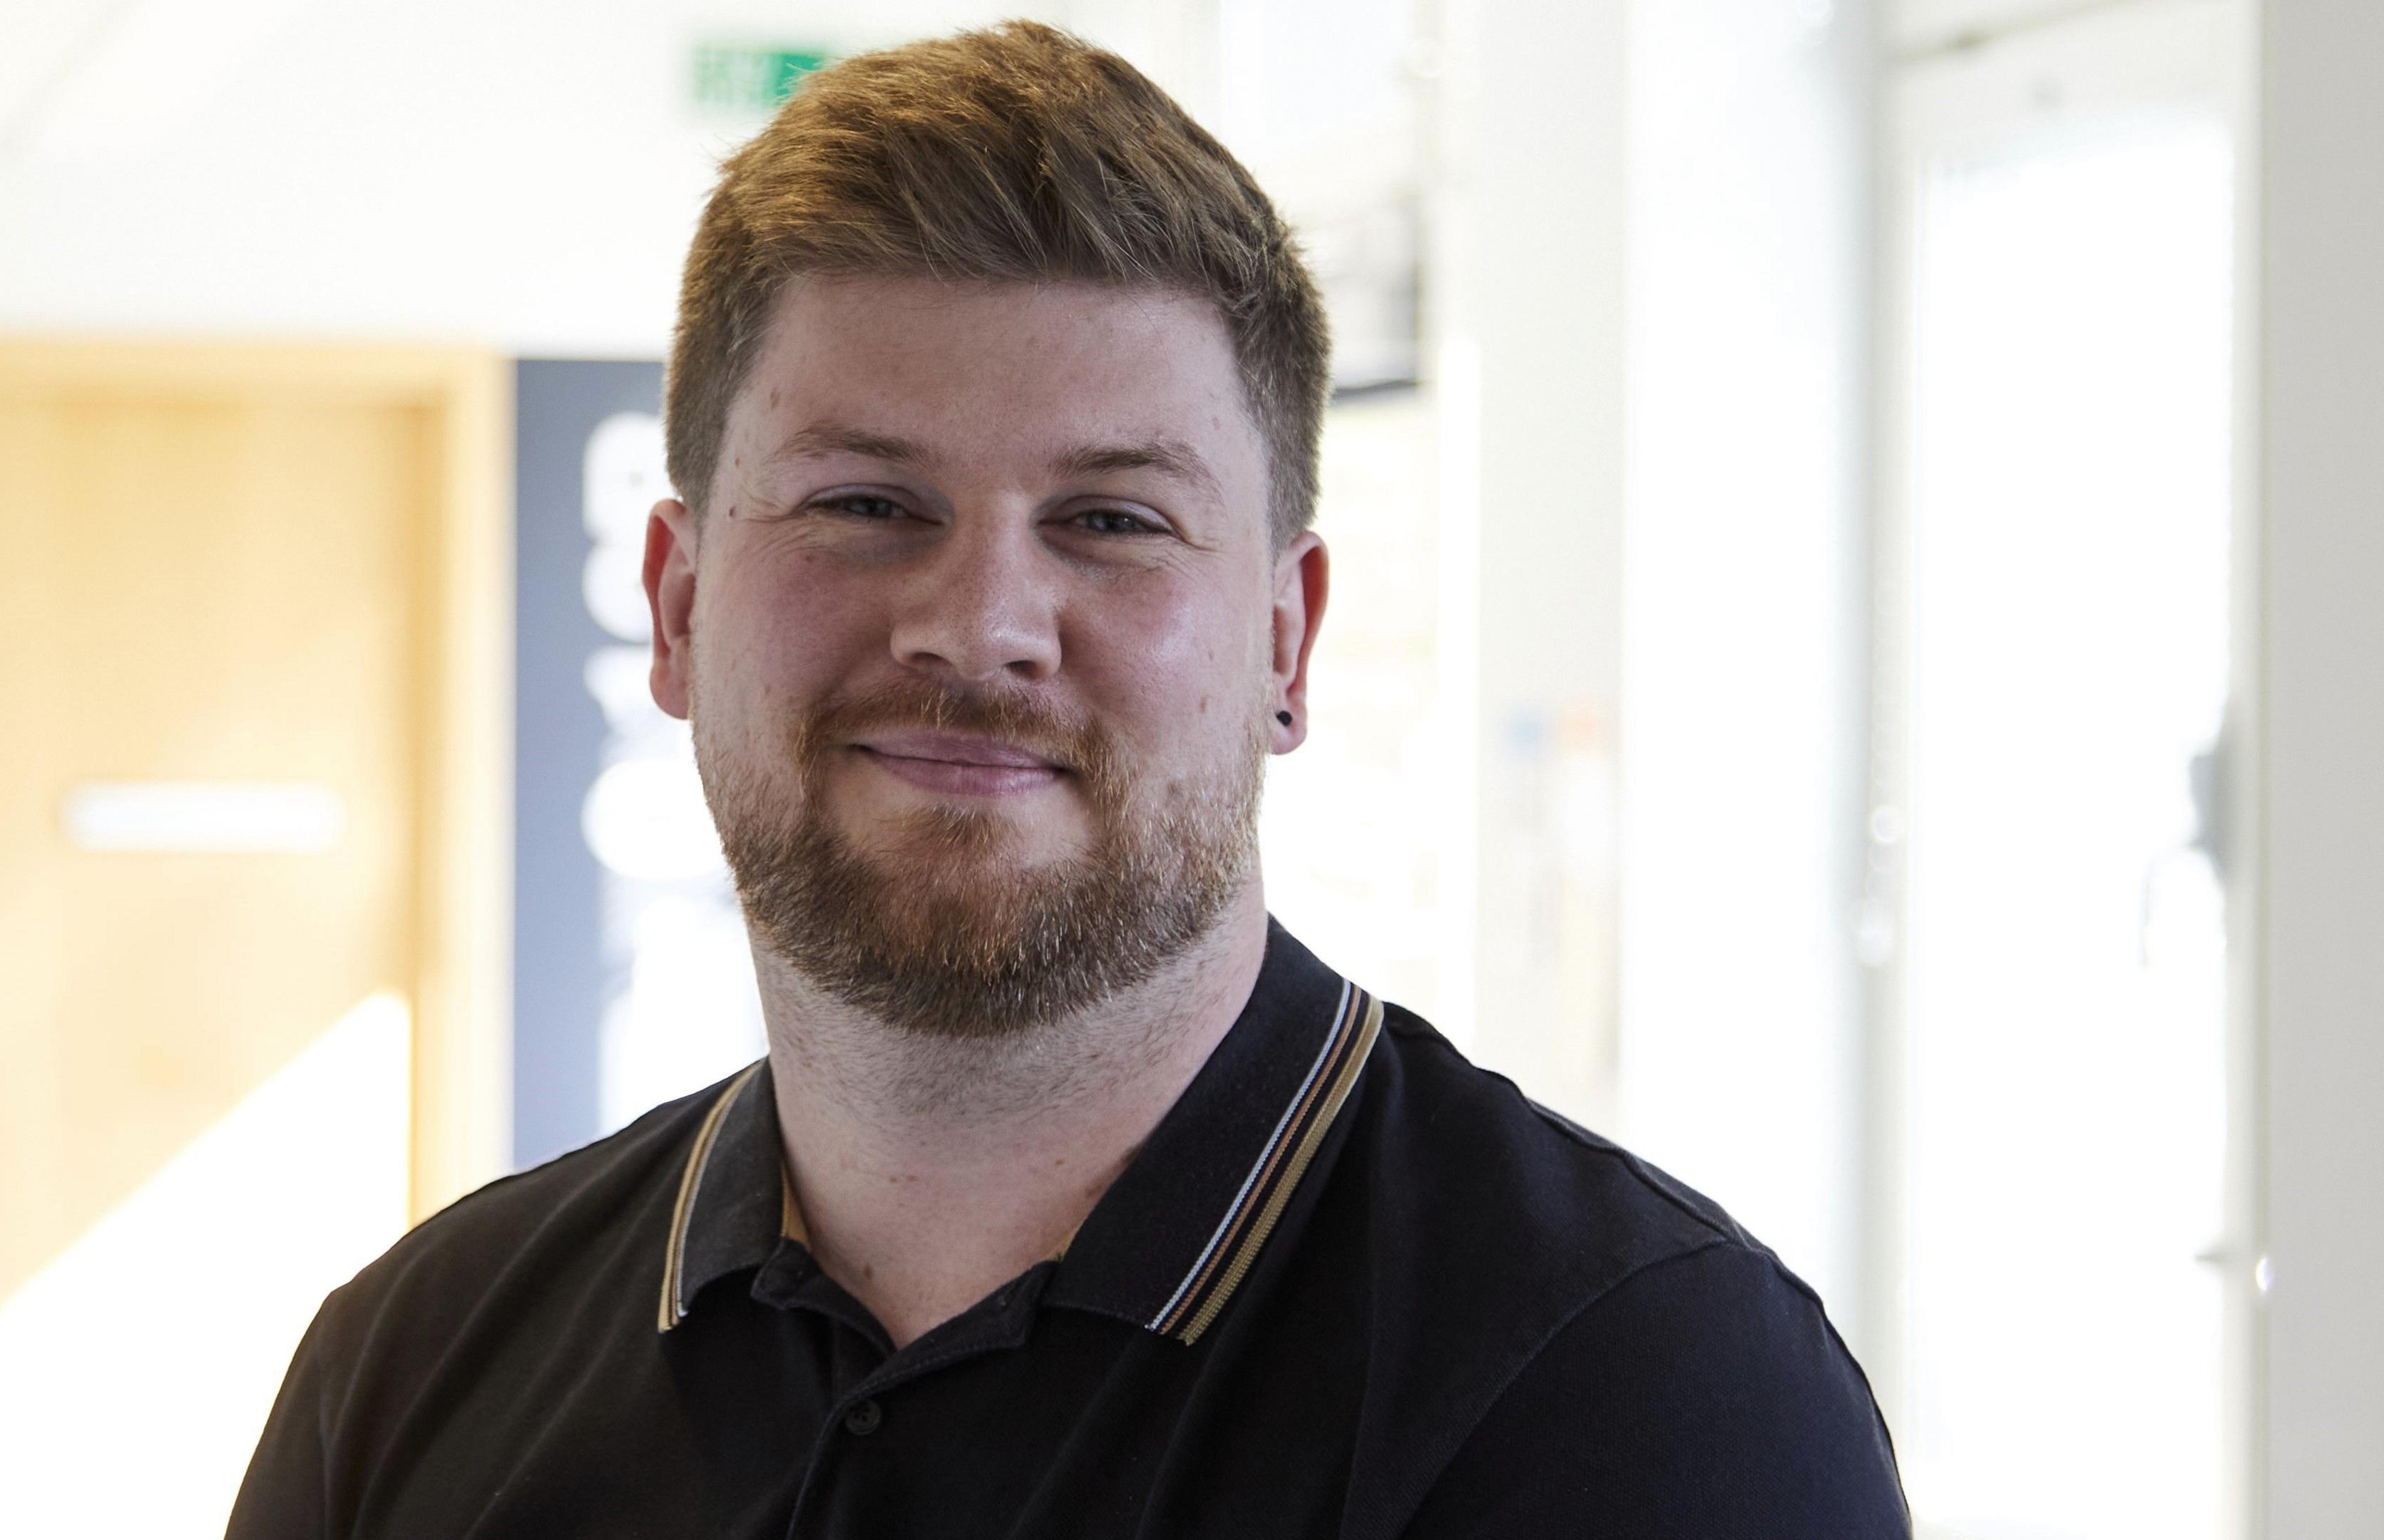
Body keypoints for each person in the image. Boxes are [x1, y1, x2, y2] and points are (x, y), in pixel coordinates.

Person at [227, 23, 1907, 1537]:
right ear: (674, 607)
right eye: (867, 504)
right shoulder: (414, 1370)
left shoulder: (1638, 1396)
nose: (979, 628)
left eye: (1111, 520)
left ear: (1283, 643)